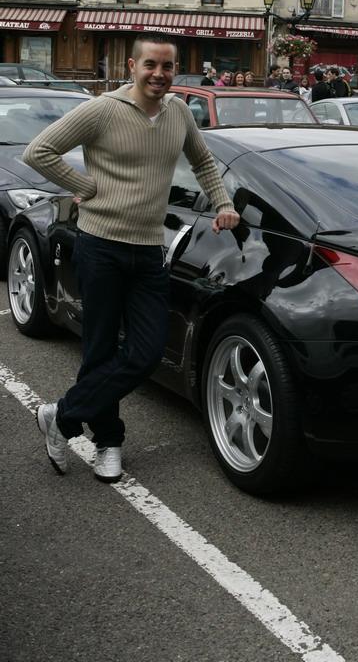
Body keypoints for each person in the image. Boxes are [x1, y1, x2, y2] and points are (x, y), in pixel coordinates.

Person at [24, 35, 240, 484]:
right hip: (100, 245)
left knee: (146, 353)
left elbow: (203, 162)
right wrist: (84, 186)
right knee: (100, 350)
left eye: (167, 66)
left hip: (148, 250)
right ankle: (109, 442)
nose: (159, 74)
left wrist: (222, 203)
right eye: (150, 65)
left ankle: (60, 416)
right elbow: (39, 151)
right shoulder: (103, 110)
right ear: (132, 66)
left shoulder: (179, 113)